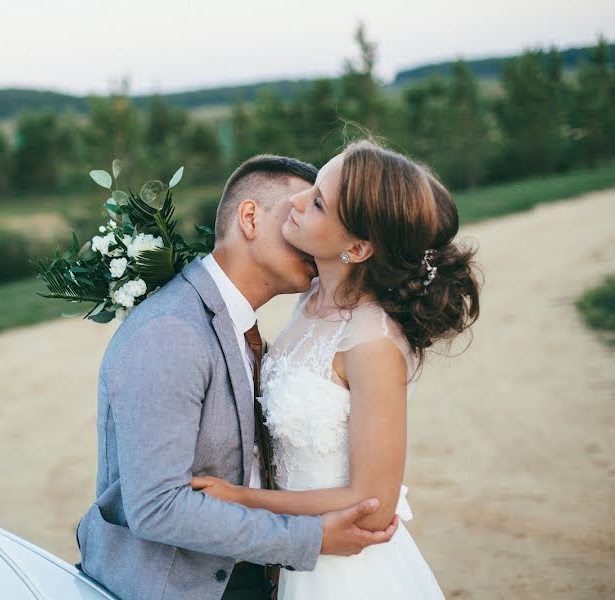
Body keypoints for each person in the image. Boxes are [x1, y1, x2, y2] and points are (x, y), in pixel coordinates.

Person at [77, 155, 399, 600]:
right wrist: (311, 539)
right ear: (250, 218)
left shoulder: (258, 325)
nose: (305, 232)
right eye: (294, 213)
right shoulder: (172, 330)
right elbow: (156, 508)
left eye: (317, 210)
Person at [191, 140, 482, 598]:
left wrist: (244, 501)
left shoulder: (372, 341)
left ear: (359, 247)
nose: (296, 201)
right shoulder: (309, 299)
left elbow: (373, 503)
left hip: (347, 573)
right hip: (293, 557)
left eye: (319, 203)